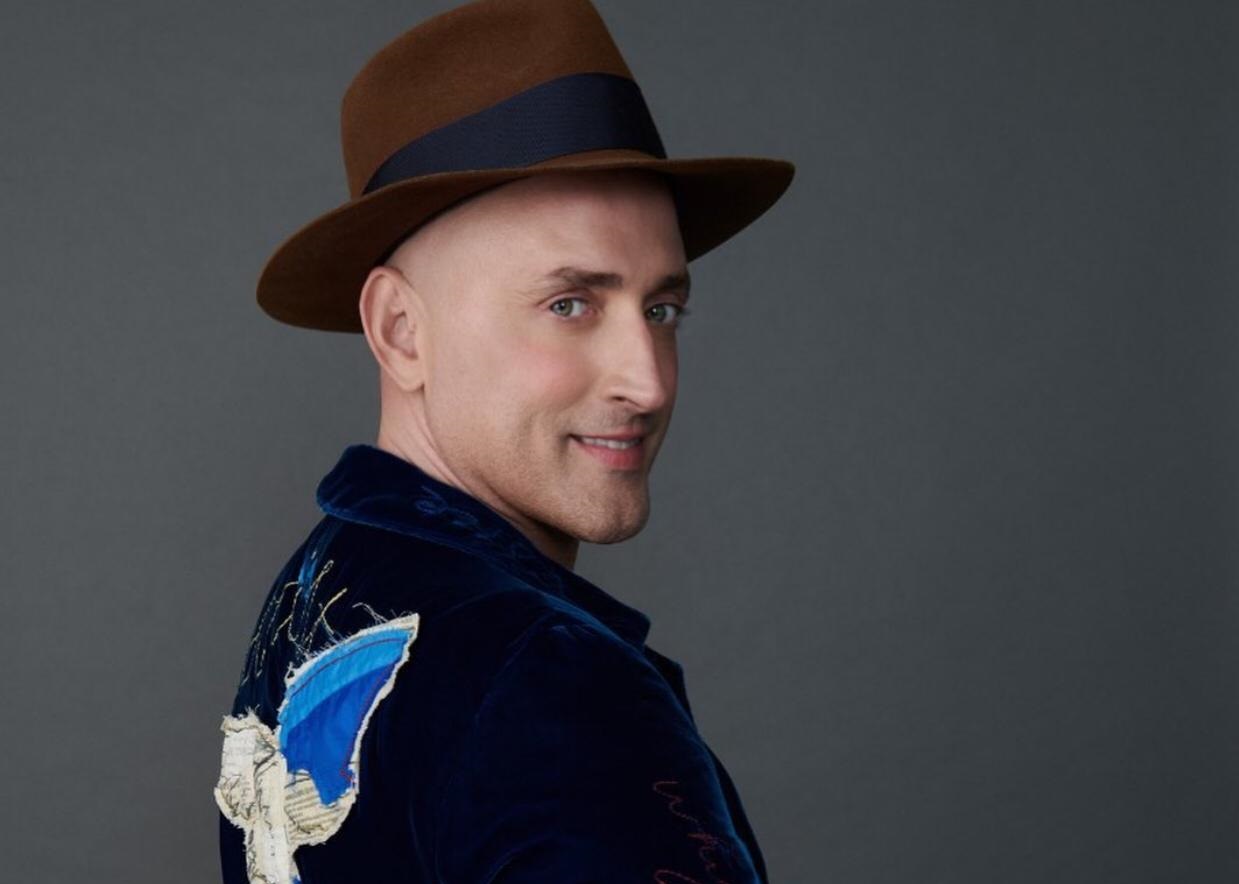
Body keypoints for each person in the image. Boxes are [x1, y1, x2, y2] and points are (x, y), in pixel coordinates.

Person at [213, 0, 794, 881]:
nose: (647, 383)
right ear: (401, 330)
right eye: (569, 304)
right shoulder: (551, 680)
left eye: (661, 309)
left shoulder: (323, 584)